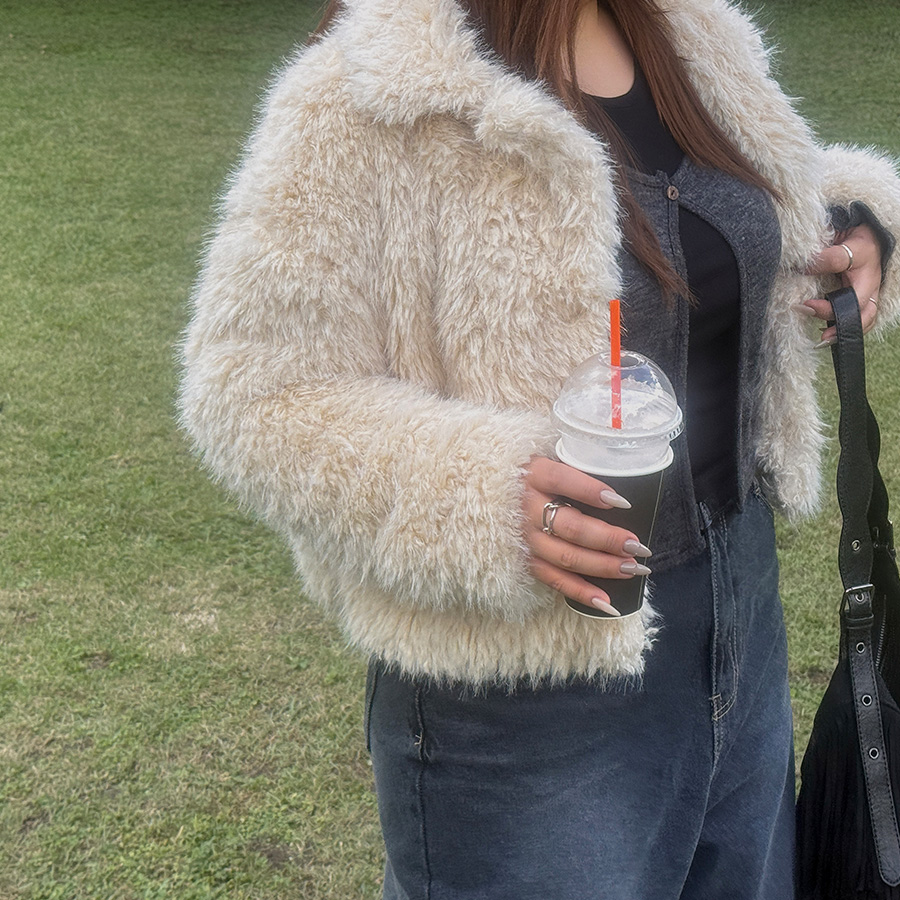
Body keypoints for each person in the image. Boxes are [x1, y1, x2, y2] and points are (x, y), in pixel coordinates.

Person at [179, 0, 900, 896]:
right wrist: (487, 496)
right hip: (523, 694)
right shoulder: (368, 91)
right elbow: (251, 391)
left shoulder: (690, 31)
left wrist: (855, 222)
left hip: (739, 620)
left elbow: (728, 206)